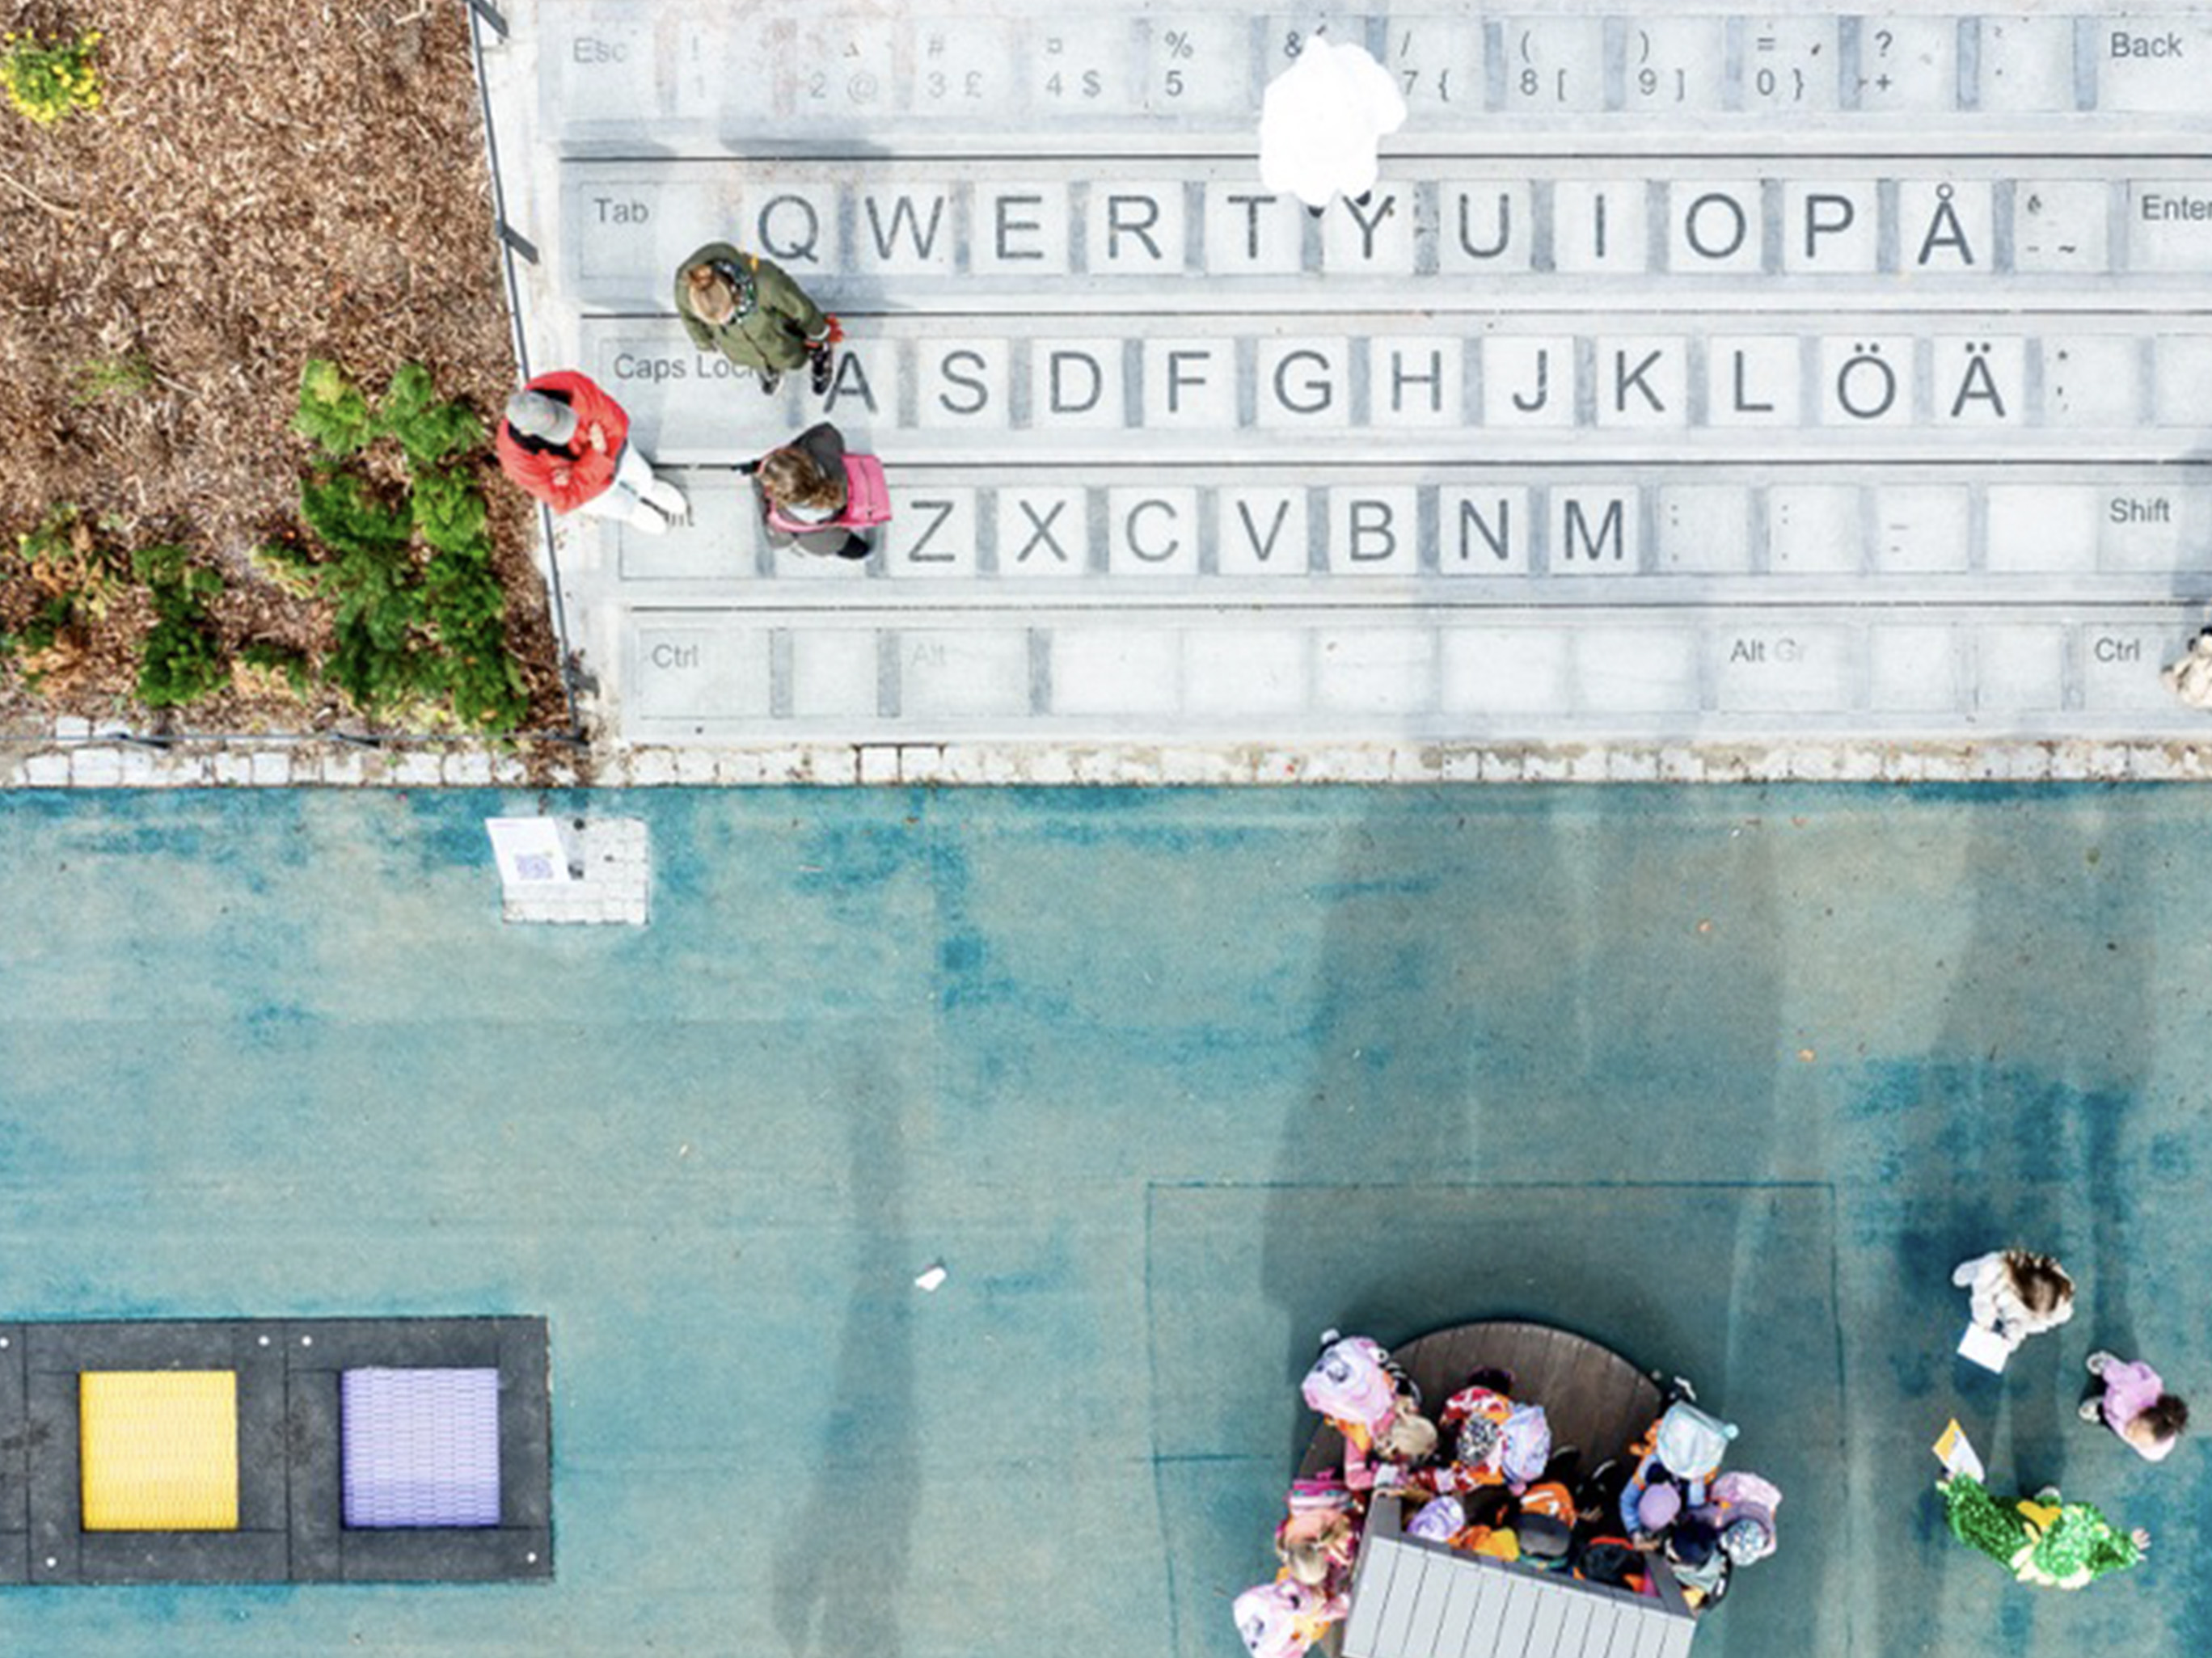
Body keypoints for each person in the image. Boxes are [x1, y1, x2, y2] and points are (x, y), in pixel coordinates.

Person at [496, 372, 688, 534]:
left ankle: (648, 487)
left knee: (637, 471)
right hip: (594, 491)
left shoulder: (570, 386)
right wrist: (596, 454)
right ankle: (633, 510)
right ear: (527, 432)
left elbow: (617, 424)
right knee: (614, 503)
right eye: (555, 429)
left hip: (607, 461)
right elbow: (564, 500)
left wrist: (577, 473)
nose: (569, 427)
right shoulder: (517, 462)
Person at [1257, 28, 1408, 214]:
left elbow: (1274, 134)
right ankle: (1352, 194)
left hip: (1321, 158)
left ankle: (1327, 201)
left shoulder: (1282, 91)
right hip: (1347, 148)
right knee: (1350, 178)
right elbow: (1386, 100)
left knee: (1325, 185)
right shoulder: (1353, 65)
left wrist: (1277, 175)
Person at [673, 243, 836, 395]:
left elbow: (800, 308)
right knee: (749, 354)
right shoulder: (687, 288)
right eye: (715, 323)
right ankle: (765, 366)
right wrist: (703, 341)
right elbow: (688, 317)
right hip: (737, 343)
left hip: (774, 332)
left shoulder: (766, 283)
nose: (724, 323)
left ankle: (820, 352)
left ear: (733, 291)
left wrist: (818, 332)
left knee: (787, 353)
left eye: (727, 315)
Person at [1938, 1472, 2148, 1589]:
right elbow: (2109, 1557)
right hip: (2041, 1520)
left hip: (2018, 1526)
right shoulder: (2085, 1555)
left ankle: (1961, 1524)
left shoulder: (2014, 1542)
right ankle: (2046, 1505)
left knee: (1986, 1521)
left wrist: (1960, 1487)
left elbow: (1984, 1517)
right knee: (2043, 1512)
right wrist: (2128, 1547)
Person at [739, 422, 883, 562]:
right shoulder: (825, 451)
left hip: (815, 539)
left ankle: (864, 553)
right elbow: (826, 431)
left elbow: (774, 536)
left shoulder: (782, 515)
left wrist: (756, 476)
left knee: (847, 548)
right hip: (831, 527)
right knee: (856, 549)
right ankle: (865, 552)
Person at [1952, 1248, 2075, 1353]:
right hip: (2000, 1288)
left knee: (2014, 1332)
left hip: (2021, 1308)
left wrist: (2011, 1337)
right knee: (1985, 1274)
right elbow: (1983, 1302)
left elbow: (2025, 1322)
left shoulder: (2060, 1287)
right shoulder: (1997, 1272)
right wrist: (1984, 1324)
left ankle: (2009, 1332)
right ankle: (1976, 1270)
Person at [2079, 1350, 2189, 1462]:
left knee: (2109, 1420)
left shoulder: (2157, 1445)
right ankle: (2106, 1363)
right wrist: (2109, 1368)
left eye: (2139, 1442)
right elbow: (2120, 1376)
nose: (2128, 1434)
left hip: (2115, 1415)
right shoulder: (2134, 1387)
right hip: (2118, 1395)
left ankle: (2101, 1409)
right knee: (2116, 1374)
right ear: (2142, 1410)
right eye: (2132, 1427)